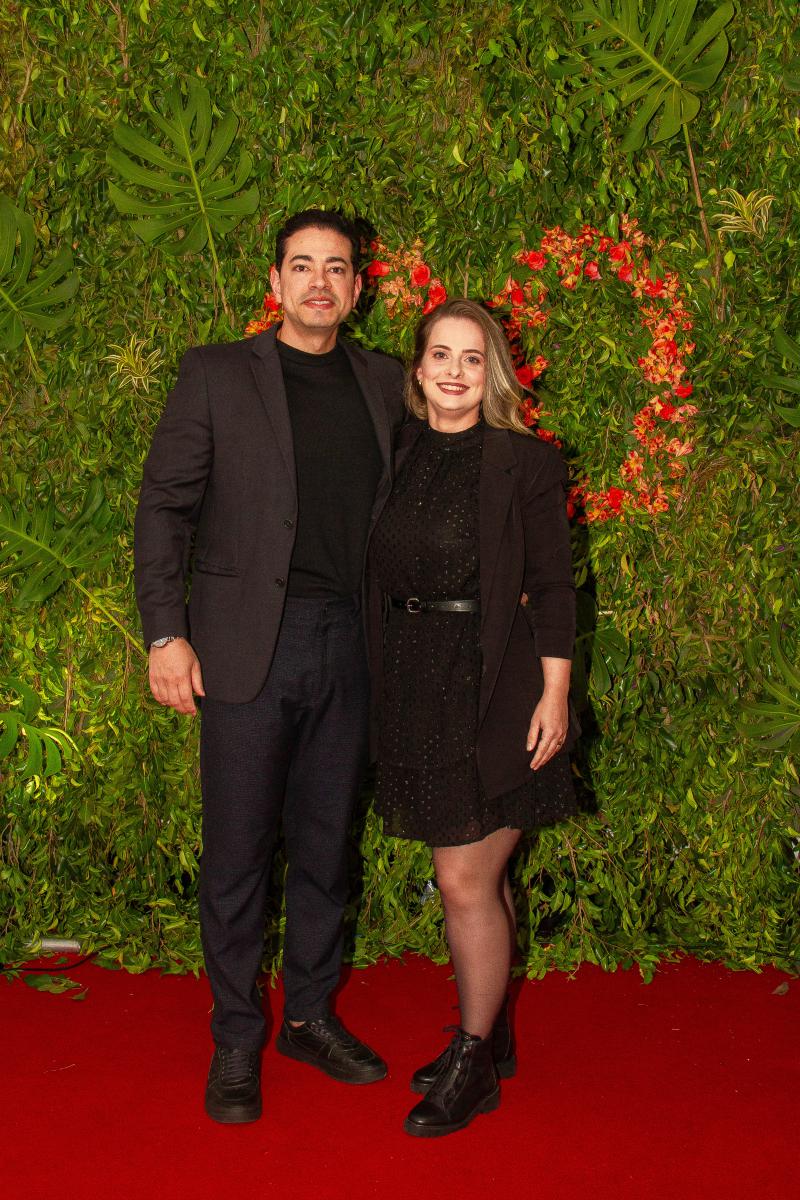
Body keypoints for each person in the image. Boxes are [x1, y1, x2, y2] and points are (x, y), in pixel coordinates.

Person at [134, 209, 405, 1124]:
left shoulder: (386, 382)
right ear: (276, 281)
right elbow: (163, 508)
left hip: (353, 647)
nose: (319, 282)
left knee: (328, 848)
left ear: (358, 287)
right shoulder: (217, 373)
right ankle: (237, 1037)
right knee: (238, 854)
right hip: (247, 646)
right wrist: (165, 635)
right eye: (303, 265)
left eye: (337, 268)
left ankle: (311, 1017)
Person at [367, 298, 579, 1137]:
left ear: (492, 372)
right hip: (413, 684)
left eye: (471, 357)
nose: (454, 372)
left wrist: (555, 695)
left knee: (462, 880)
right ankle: (494, 1037)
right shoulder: (396, 451)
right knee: (477, 879)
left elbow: (554, 588)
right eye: (440, 356)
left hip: (496, 689)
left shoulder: (524, 463)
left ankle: (474, 1057)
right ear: (417, 370)